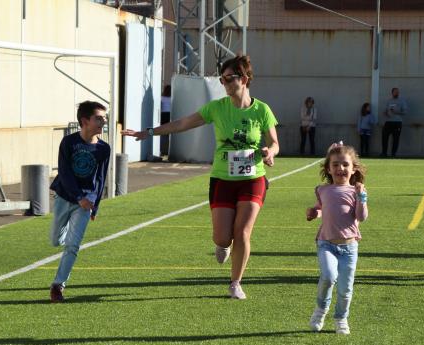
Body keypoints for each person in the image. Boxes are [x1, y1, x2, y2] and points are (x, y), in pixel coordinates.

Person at [121, 55, 279, 300]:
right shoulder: (217, 108)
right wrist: (149, 132)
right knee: (222, 236)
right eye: (222, 78)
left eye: (230, 78)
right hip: (222, 179)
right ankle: (222, 244)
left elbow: (275, 142)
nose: (225, 83)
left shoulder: (262, 110)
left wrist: (270, 152)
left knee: (244, 231)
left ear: (245, 79)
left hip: (252, 178)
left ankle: (235, 282)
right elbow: (183, 123)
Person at [49, 101, 111, 302]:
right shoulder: (68, 143)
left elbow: (101, 179)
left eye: (104, 118)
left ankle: (58, 285)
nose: (103, 121)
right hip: (65, 197)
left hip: (87, 203)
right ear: (85, 121)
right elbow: (65, 174)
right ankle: (65, 232)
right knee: (55, 240)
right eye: (99, 118)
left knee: (73, 245)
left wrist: (95, 206)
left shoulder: (104, 149)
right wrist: (78, 197)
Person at [306, 142, 368, 334]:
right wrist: (314, 213)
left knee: (345, 289)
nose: (340, 168)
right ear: (328, 168)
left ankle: (341, 318)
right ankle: (320, 310)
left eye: (345, 164)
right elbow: (321, 209)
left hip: (349, 248)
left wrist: (361, 198)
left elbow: (361, 217)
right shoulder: (322, 190)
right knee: (328, 276)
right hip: (326, 244)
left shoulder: (356, 191)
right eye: (335, 165)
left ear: (353, 168)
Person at [381, 87, 407, 157]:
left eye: (398, 92)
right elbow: (386, 110)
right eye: (395, 92)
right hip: (388, 122)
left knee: (396, 139)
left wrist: (396, 112)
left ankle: (393, 154)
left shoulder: (402, 101)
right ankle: (384, 153)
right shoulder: (389, 101)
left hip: (397, 122)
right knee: (384, 137)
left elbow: (404, 112)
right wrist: (385, 113)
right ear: (392, 93)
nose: (397, 93)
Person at [160, 84, 172, 156]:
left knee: (162, 132)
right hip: (170, 115)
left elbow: (160, 106)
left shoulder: (162, 98)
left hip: (163, 115)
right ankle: (168, 150)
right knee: (169, 132)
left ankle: (162, 149)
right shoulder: (172, 98)